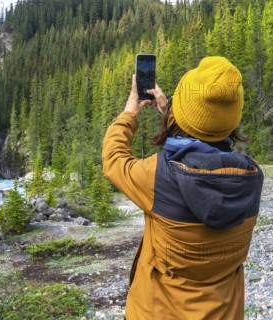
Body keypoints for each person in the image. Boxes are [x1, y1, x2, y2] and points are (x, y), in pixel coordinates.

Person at [102, 56, 263, 319]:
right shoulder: (251, 176)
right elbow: (208, 150)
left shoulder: (158, 176)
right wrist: (173, 114)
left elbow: (114, 159)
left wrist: (130, 112)